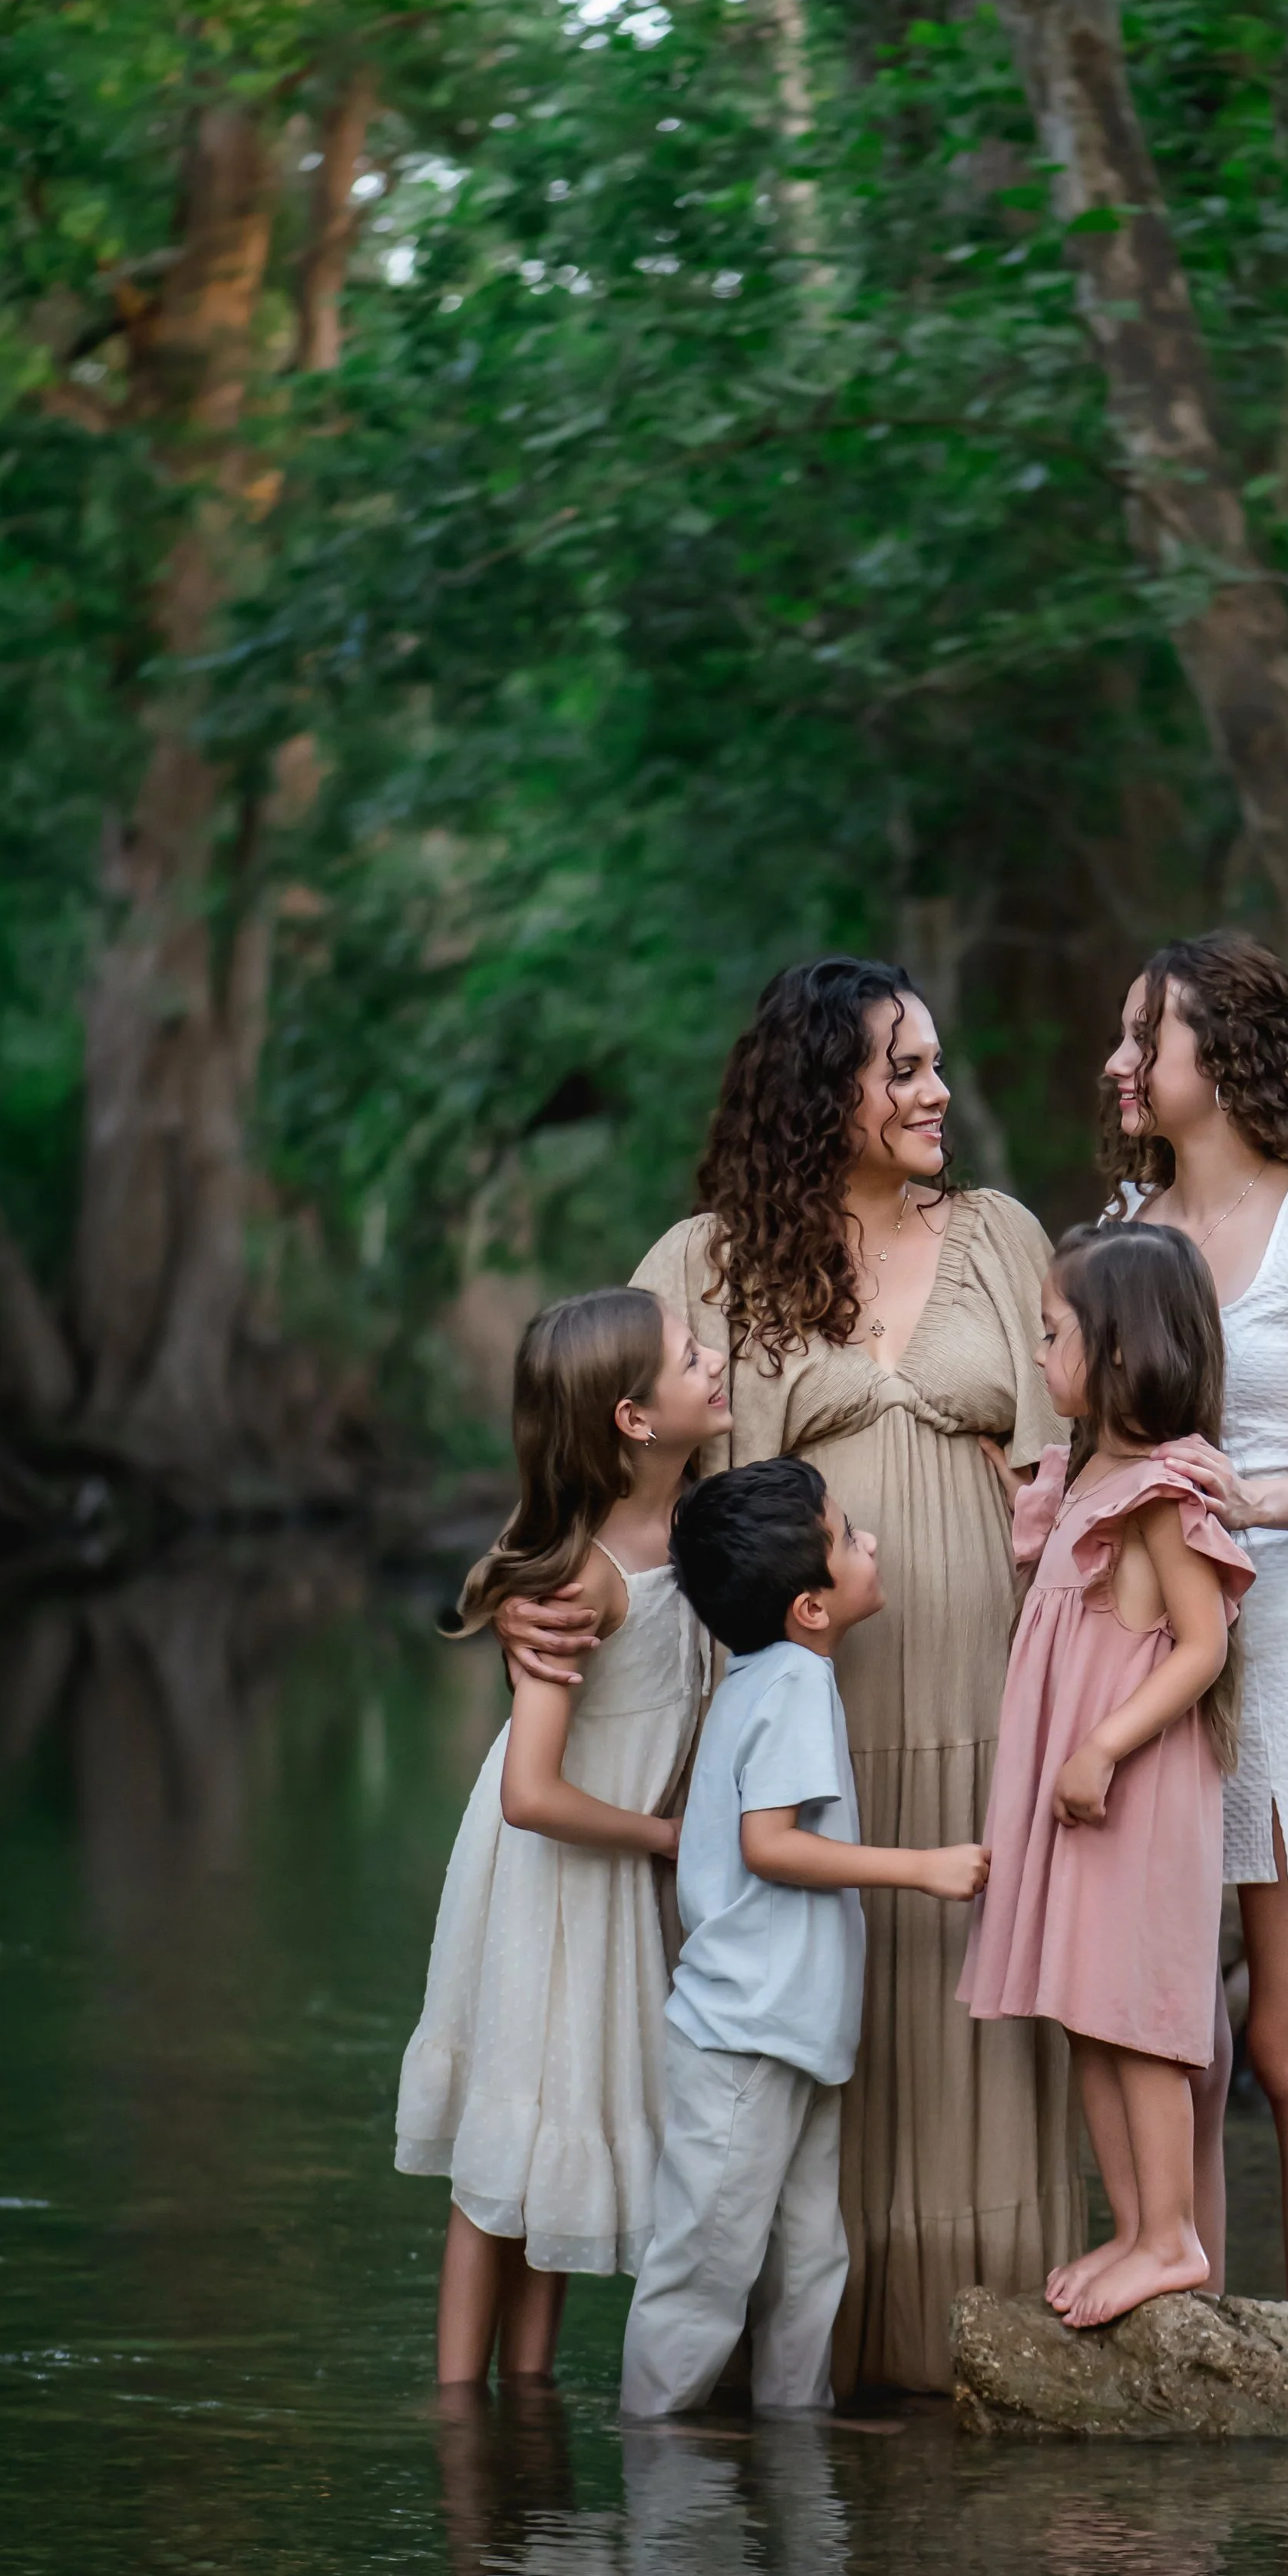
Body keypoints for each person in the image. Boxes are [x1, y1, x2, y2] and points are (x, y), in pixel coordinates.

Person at [497, 957, 1082, 2393]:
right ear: (827, 1089)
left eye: (938, 1064)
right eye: (907, 1069)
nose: (939, 1092)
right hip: (788, 1726)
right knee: (792, 2053)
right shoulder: (702, 1264)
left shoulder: (1004, 1238)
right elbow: (596, 1470)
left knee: (970, 2006)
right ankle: (782, 2408)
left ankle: (976, 2350)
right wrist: (524, 1603)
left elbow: (1093, 1441)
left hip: (988, 1713)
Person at [1104, 933, 1288, 2333]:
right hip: (1154, 1667)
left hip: (1283, 1647)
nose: (1116, 1063)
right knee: (1186, 2041)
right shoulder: (1124, 1237)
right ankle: (1198, 2336)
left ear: (1214, 1057)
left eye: (1140, 1038)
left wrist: (1248, 1492)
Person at [395, 1289, 728, 2386]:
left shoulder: (688, 1522)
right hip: (554, 1873)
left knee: (564, 2128)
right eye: (693, 1356)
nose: (716, 1360)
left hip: (611, 1867)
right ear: (634, 1419)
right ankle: (458, 2411)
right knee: (507, 2142)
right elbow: (529, 1792)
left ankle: (529, 2405)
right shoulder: (586, 1576)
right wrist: (664, 1836)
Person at [623, 1459, 987, 2417]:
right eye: (850, 1536)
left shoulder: (771, 1672)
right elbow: (770, 1845)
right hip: (747, 2036)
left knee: (808, 2258)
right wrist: (923, 1867)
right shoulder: (789, 1683)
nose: (871, 1544)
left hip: (788, 2034)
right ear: (811, 1608)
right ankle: (654, 2465)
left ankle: (796, 2450)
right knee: (704, 2267)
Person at [961, 1224, 1252, 2328]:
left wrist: (1102, 1745)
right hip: (1081, 1797)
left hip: (1130, 1790)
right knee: (1086, 2011)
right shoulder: (1093, 1478)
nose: (1039, 1356)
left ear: (1120, 1350)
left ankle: (1173, 2236)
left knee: (1134, 2013)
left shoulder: (1163, 1494)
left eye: (1052, 1334)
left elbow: (1201, 1645)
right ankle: (1133, 2228)